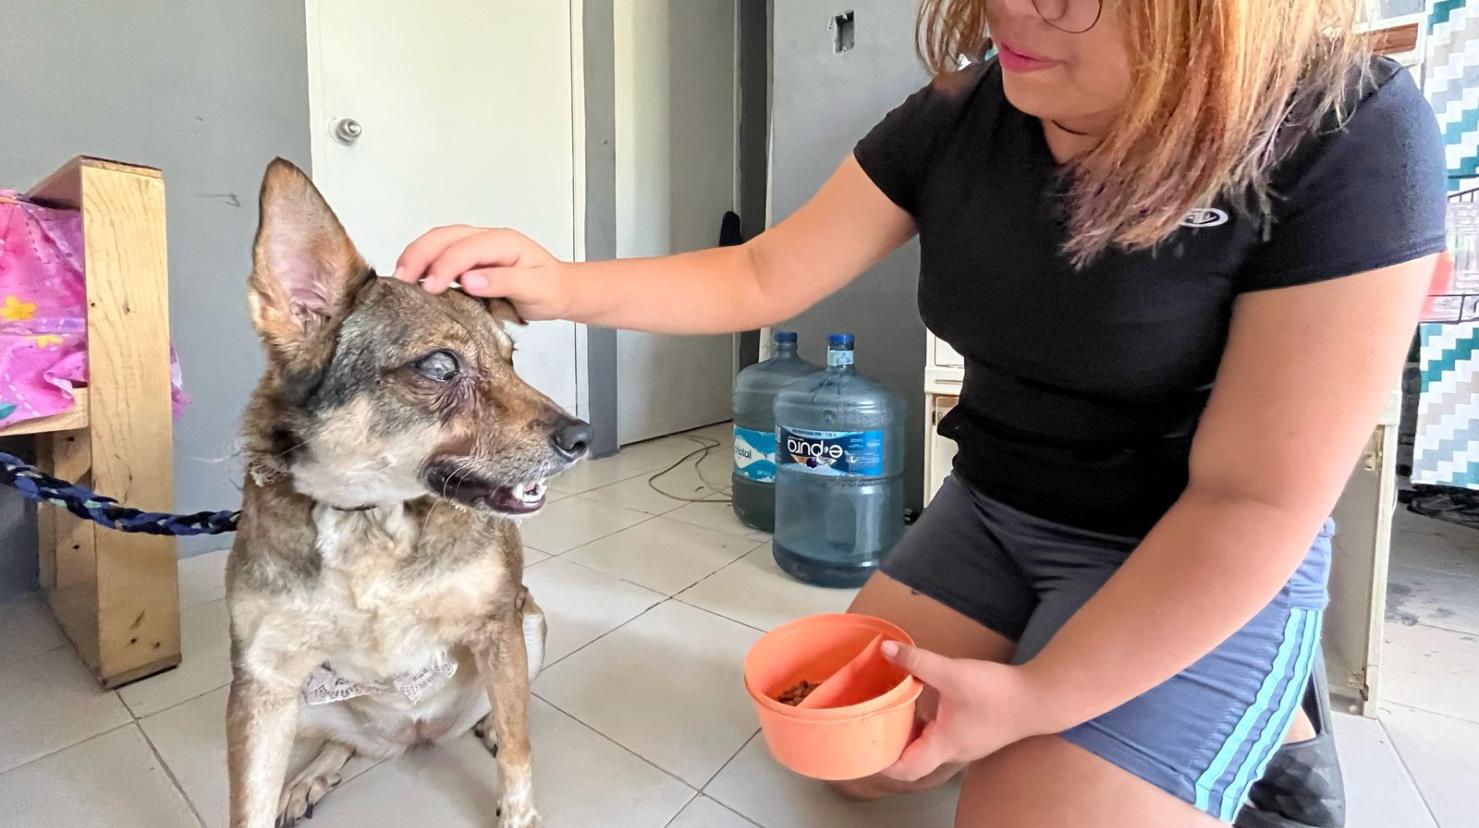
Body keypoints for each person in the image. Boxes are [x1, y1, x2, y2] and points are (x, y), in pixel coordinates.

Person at [394, 0, 1446, 824]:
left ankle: (1275, 718)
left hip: (1186, 542)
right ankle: (1105, 671)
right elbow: (763, 273)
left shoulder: (1347, 130)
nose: (1009, 15)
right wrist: (558, 281)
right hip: (998, 505)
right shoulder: (964, 110)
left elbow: (1250, 499)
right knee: (858, 761)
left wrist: (1037, 704)